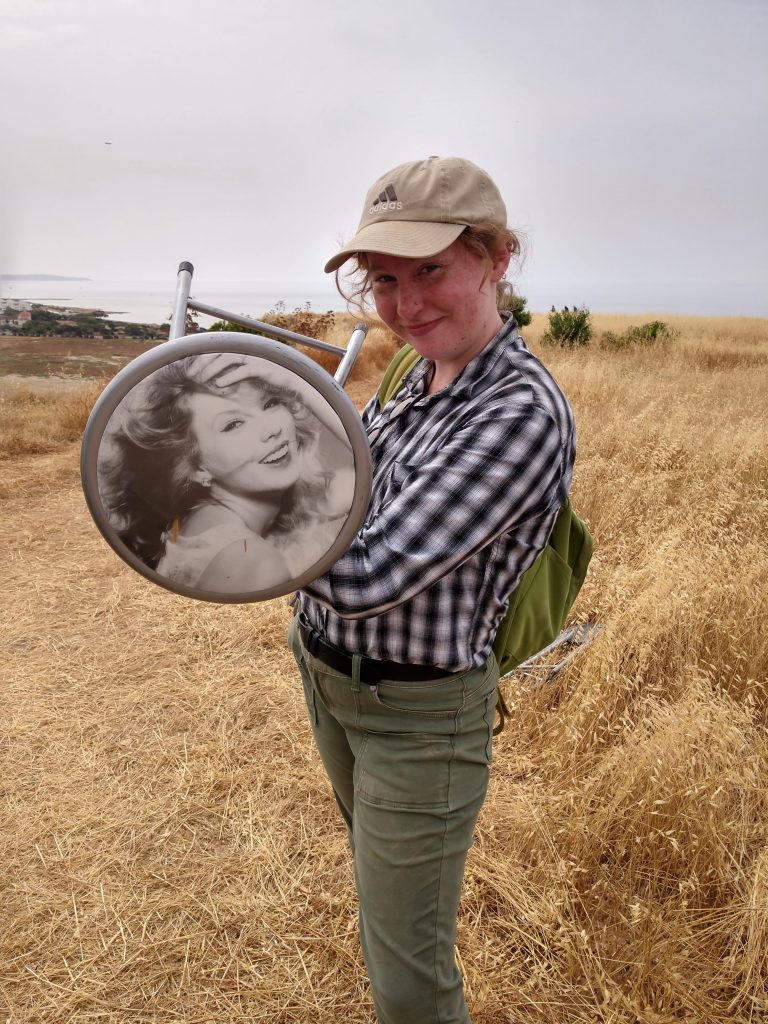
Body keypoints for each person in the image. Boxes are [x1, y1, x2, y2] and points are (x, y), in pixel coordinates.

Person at [288, 156, 576, 1023]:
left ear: (497, 258)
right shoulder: (416, 372)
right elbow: (350, 495)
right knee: (385, 909)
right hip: (328, 675)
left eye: (431, 271)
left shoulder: (519, 411)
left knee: (411, 977)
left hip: (418, 719)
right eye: (383, 278)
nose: (405, 305)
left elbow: (370, 571)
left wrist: (240, 519)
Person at [98, 353, 354, 593]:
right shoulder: (254, 562)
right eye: (233, 424)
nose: (271, 430)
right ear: (196, 466)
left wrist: (297, 383)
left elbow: (376, 470)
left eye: (270, 403)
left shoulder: (210, 520)